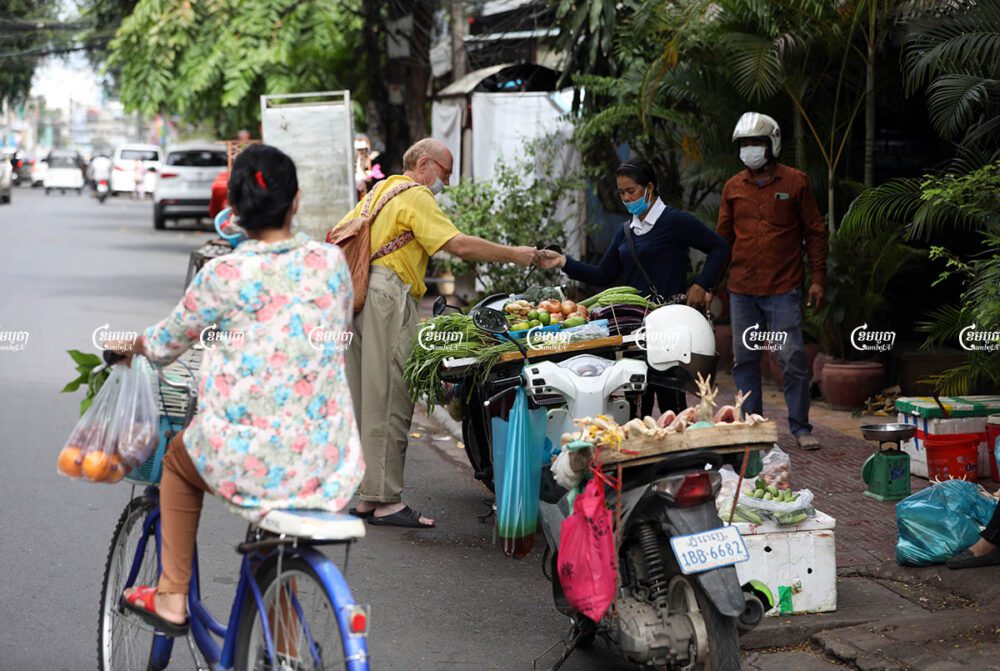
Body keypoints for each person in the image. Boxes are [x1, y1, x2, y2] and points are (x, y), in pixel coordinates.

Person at [111, 144, 364, 633]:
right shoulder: (330, 264)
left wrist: (130, 345)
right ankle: (282, 644)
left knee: (177, 462)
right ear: (296, 202)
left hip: (246, 454)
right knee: (276, 534)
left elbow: (163, 344)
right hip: (325, 457)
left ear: (234, 211)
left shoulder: (224, 274)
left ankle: (169, 597)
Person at [339, 138, 541, 528]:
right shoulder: (414, 194)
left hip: (359, 297)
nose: (443, 184)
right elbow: (459, 246)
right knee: (390, 398)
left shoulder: (380, 190)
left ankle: (367, 496)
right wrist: (516, 254)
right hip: (388, 295)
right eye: (444, 175)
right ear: (426, 164)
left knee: (367, 399)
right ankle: (385, 502)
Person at [538, 157, 729, 417]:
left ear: (649, 188)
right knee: (637, 402)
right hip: (633, 330)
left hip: (668, 328)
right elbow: (604, 274)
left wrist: (702, 284)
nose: (626, 198)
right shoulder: (625, 230)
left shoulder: (674, 221)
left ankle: (680, 454)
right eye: (622, 193)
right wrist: (563, 262)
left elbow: (719, 246)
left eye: (631, 191)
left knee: (672, 402)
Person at [717, 112, 827, 450]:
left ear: (772, 145)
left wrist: (818, 278)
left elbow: (815, 232)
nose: (750, 150)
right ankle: (754, 426)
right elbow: (722, 238)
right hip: (741, 290)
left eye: (756, 143)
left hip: (784, 288)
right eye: (745, 144)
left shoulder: (796, 182)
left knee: (791, 357)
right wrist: (711, 284)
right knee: (745, 359)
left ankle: (800, 427)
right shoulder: (733, 187)